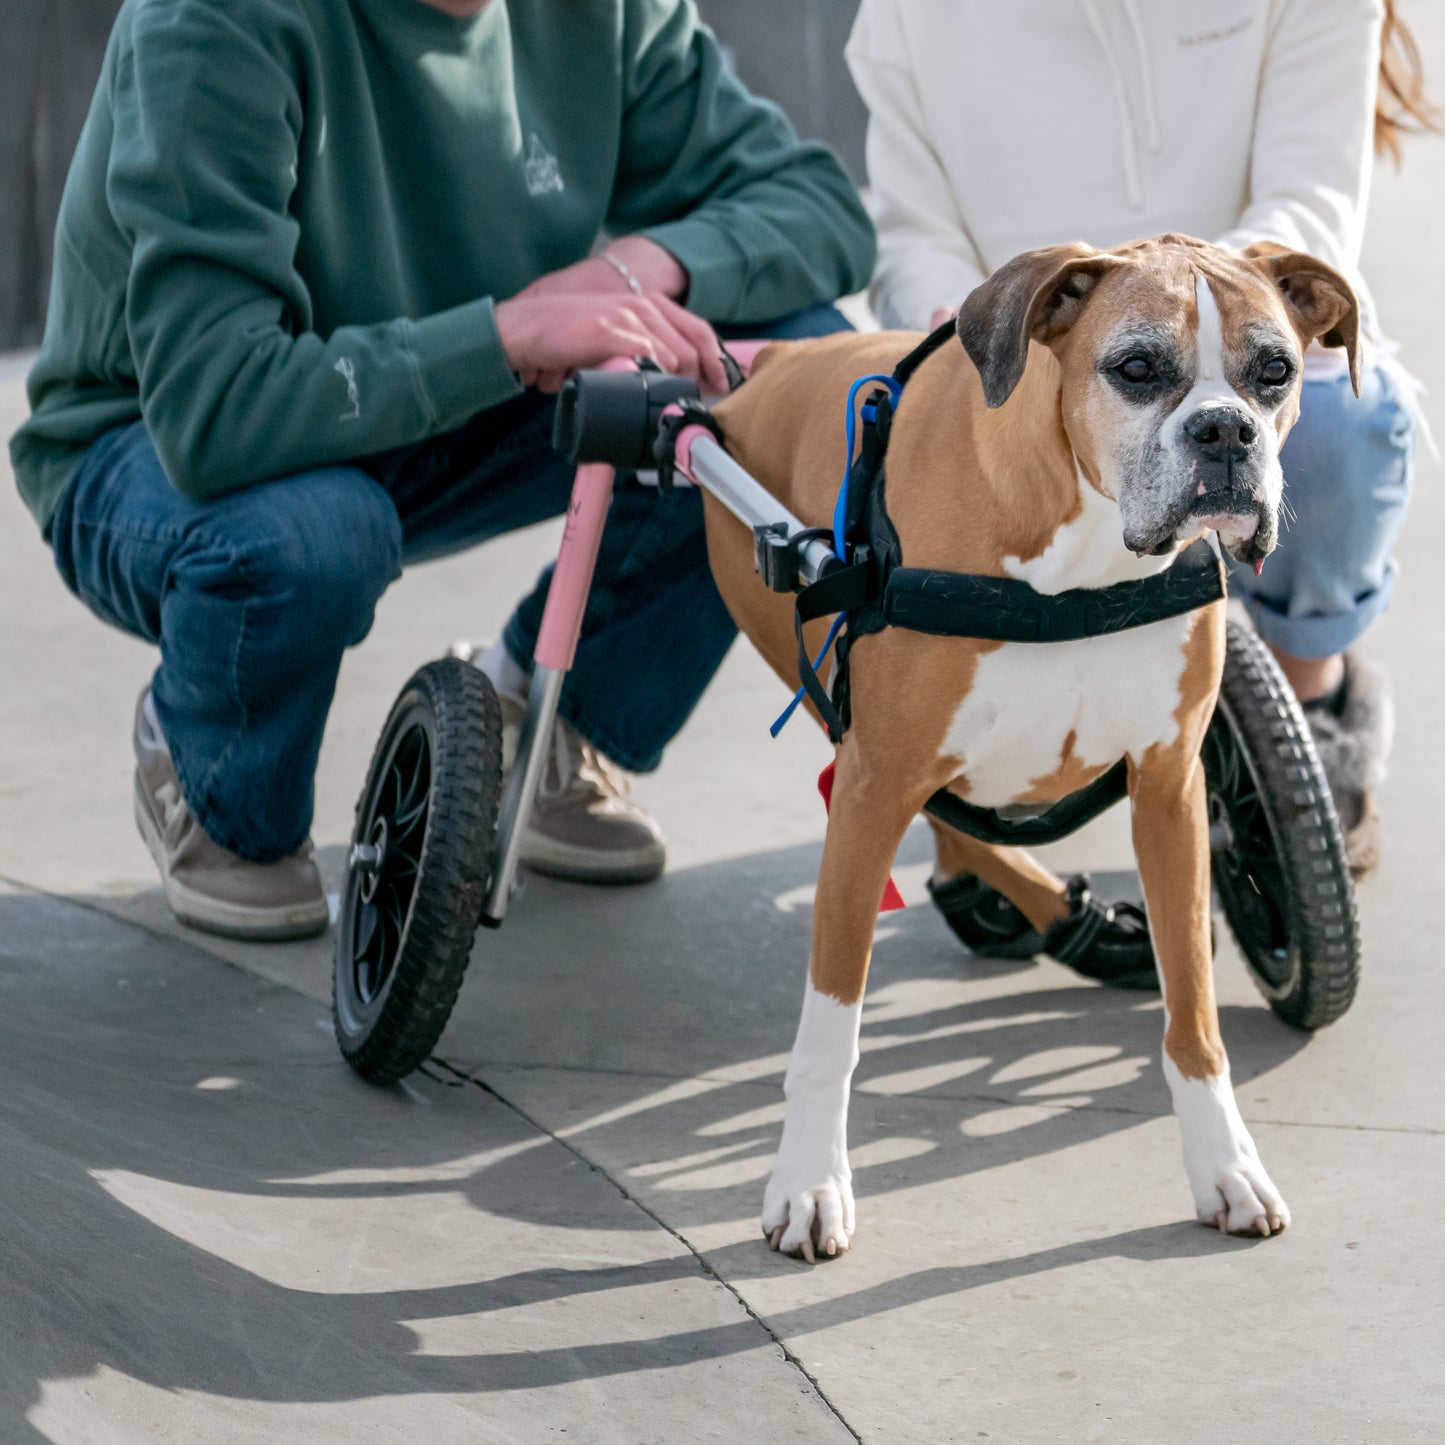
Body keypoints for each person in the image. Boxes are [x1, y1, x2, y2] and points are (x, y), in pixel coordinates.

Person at [10, 0, 875, 939]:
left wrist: (627, 272)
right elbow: (214, 407)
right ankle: (209, 780)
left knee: (782, 392)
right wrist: (504, 337)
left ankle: (550, 722)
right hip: (158, 445)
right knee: (310, 540)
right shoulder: (216, 19)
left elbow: (819, 206)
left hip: (455, 391)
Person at [847, 0, 1436, 877]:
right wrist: (1012, 340)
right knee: (948, 456)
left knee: (1344, 425)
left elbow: (1309, 202)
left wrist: (1174, 299)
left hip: (1238, 305)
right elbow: (912, 238)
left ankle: (1308, 705)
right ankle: (974, 772)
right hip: (1027, 351)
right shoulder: (908, 16)